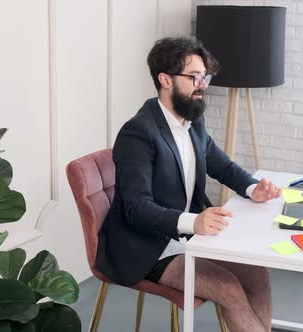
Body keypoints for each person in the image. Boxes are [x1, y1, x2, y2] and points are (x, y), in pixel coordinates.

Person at [96, 37, 281, 332]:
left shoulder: (193, 119)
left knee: (257, 273)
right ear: (165, 79)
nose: (203, 84)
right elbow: (135, 208)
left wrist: (251, 187)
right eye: (194, 76)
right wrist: (194, 222)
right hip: (146, 245)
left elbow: (220, 163)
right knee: (230, 290)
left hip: (186, 235)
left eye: (204, 76)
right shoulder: (138, 133)